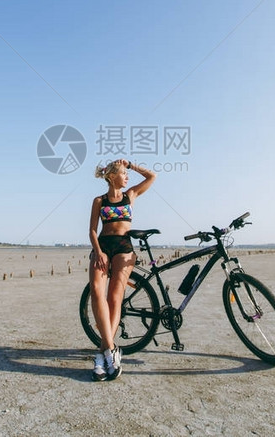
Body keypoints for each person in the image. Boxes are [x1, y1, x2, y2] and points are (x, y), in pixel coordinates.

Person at [88, 158, 156, 381]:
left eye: (128, 174)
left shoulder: (131, 195)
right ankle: (110, 350)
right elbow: (92, 230)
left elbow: (152, 177)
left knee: (114, 297)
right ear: (111, 176)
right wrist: (97, 252)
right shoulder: (99, 200)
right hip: (103, 247)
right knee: (97, 291)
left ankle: (102, 353)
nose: (127, 178)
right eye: (124, 174)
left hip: (124, 247)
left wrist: (132, 164)